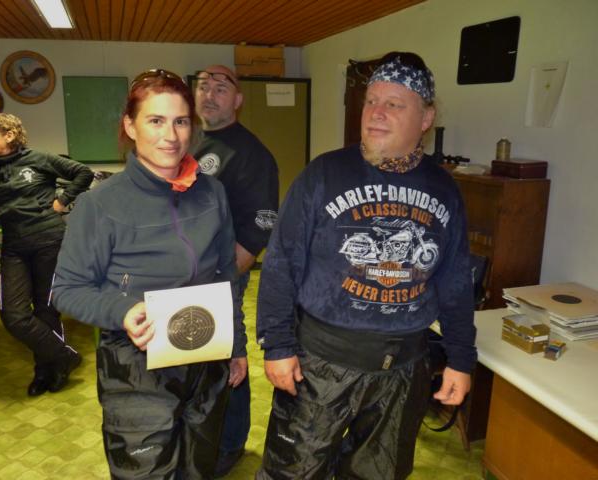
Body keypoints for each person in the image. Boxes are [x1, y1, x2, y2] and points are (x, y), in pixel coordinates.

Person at [255, 51, 476, 480]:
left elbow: (454, 281)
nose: (376, 113)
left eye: (394, 104)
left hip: (404, 369)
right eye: (371, 101)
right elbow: (281, 263)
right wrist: (278, 345)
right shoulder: (323, 174)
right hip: (321, 364)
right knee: (292, 472)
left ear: (426, 117)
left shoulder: (444, 189)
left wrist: (460, 358)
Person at [51, 69, 246, 479]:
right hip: (135, 366)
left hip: (205, 355)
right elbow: (66, 289)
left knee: (199, 468)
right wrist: (121, 310)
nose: (170, 135)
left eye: (180, 121)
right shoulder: (100, 205)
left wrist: (237, 345)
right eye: (155, 120)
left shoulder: (212, 193)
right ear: (130, 126)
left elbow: (227, 274)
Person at [191, 64, 279, 476]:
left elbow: (262, 223)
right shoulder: (188, 139)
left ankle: (231, 442)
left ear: (238, 100)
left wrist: (226, 276)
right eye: (203, 86)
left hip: (220, 272)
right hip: (183, 272)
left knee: (228, 353)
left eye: (220, 88)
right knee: (196, 349)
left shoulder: (250, 154)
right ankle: (200, 427)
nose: (209, 94)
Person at [0, 112, 93, 397]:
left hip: (49, 241)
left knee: (45, 309)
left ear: (9, 135)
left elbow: (83, 173)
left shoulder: (39, 159)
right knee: (13, 314)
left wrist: (62, 201)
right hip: (14, 247)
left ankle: (47, 371)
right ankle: (64, 356)